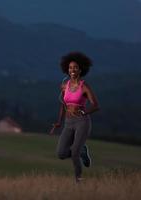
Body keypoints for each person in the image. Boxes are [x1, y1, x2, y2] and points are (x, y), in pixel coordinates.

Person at [51, 51, 100, 183]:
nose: (72, 70)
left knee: (74, 154)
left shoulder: (84, 86)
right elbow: (63, 105)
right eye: (70, 67)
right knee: (61, 153)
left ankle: (79, 181)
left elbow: (95, 105)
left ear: (81, 69)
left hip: (81, 122)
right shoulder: (64, 86)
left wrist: (84, 112)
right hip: (68, 122)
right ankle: (83, 151)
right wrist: (59, 122)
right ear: (67, 69)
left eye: (75, 67)